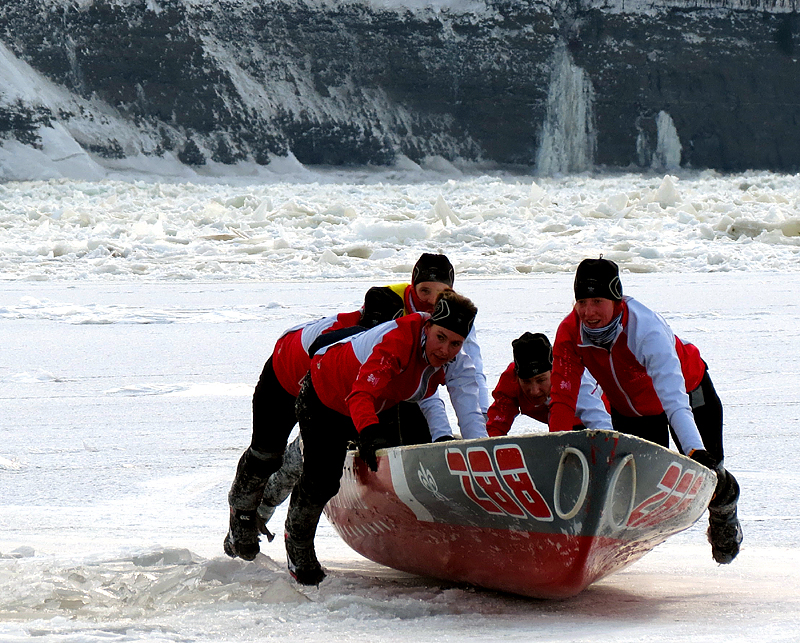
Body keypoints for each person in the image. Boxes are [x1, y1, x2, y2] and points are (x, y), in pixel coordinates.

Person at [254, 252, 489, 530]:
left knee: (413, 425)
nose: (430, 299)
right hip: (346, 389)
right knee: (312, 450)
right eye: (425, 290)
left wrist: (474, 444)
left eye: (441, 293)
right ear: (413, 287)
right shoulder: (389, 310)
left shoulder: (455, 321)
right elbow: (333, 354)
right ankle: (265, 504)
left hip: (396, 394)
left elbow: (465, 384)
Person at [547, 256, 743, 565]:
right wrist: (555, 447)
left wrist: (693, 450)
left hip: (689, 391)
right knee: (638, 488)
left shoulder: (645, 329)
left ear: (616, 299)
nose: (588, 312)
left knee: (710, 476)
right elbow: (562, 398)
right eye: (582, 302)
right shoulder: (570, 333)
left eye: (597, 301)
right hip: (635, 412)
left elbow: (675, 401)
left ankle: (724, 512)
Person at [284, 290, 486, 585]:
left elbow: (469, 409)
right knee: (323, 477)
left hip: (384, 399)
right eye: (440, 337)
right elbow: (360, 394)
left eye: (455, 343)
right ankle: (297, 540)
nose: (445, 350)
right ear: (428, 327)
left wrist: (478, 454)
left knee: (397, 450)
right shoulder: (398, 341)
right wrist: (369, 433)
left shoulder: (456, 359)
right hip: (325, 395)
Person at [223, 286, 405, 561]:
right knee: (266, 455)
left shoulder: (391, 341)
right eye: (369, 327)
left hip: (324, 388)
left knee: (305, 459)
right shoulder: (336, 334)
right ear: (362, 317)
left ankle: (262, 513)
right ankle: (242, 515)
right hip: (284, 380)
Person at [486, 332, 611, 436]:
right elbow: (494, 430)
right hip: (556, 421)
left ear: (554, 372)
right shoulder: (510, 381)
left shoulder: (571, 378)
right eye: (526, 381)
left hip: (603, 414)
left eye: (541, 380)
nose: (534, 390)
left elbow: (602, 425)